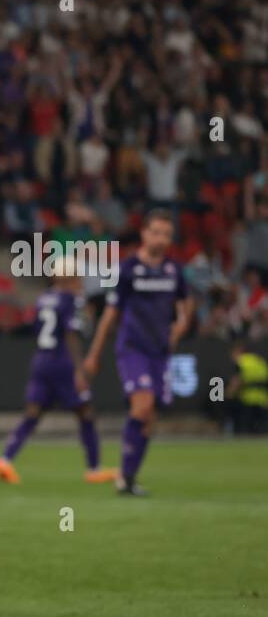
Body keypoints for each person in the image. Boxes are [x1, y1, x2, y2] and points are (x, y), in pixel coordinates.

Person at [83, 210, 196, 495]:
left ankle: (129, 478)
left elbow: (187, 304)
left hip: (160, 352)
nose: (161, 239)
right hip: (133, 348)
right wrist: (94, 353)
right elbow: (110, 314)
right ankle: (123, 475)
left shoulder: (173, 270)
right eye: (156, 232)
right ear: (144, 234)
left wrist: (179, 328)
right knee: (142, 405)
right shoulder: (129, 269)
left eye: (166, 234)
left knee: (150, 418)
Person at [0, 263, 118, 484]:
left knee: (32, 414)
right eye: (77, 277)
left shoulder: (43, 298)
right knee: (86, 413)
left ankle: (5, 459)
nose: (80, 281)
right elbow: (70, 335)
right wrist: (79, 369)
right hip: (62, 362)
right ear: (68, 278)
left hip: (41, 359)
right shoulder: (70, 300)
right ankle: (94, 468)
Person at [228, 340, 267, 434]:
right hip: (262, 400)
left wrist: (229, 394)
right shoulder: (260, 361)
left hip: (247, 400)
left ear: (238, 351)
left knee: (245, 431)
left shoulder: (241, 362)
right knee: (261, 431)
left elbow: (237, 381)